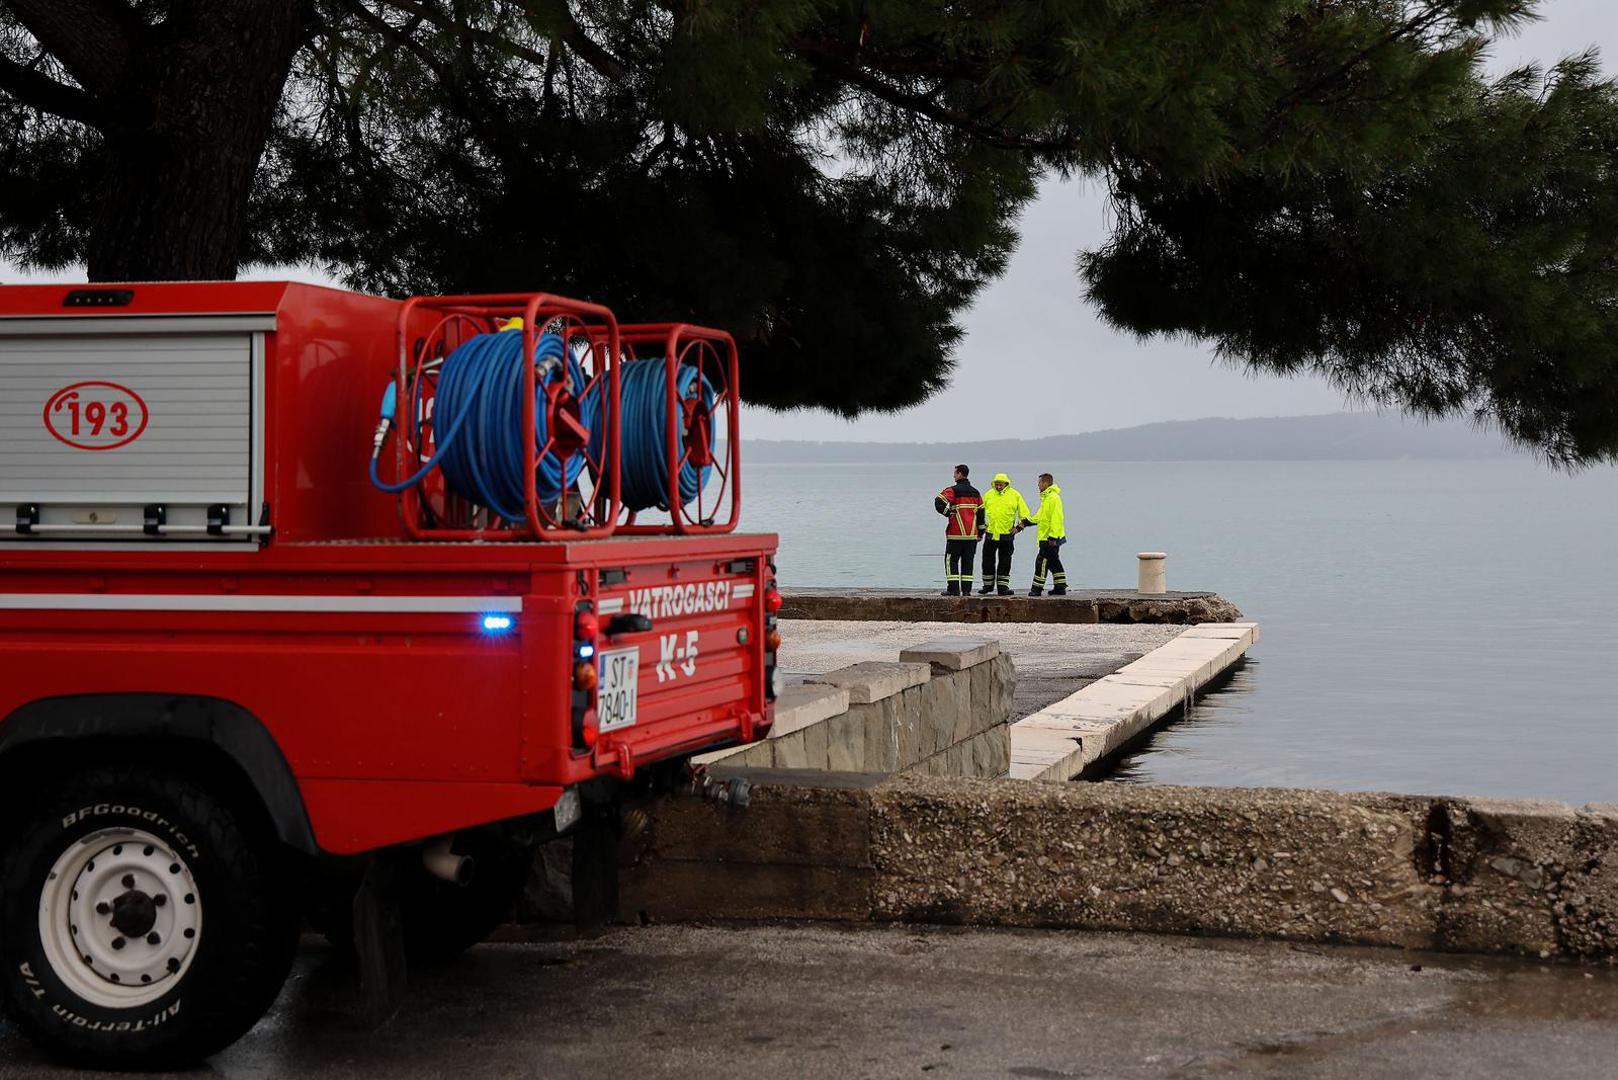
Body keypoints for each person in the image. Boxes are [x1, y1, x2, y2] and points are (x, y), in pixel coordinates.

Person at [977, 472, 1033, 595]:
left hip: (1007, 536)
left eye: (1001, 484)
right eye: (996, 484)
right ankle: (987, 586)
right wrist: (981, 527)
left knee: (1005, 562)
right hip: (991, 534)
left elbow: (1024, 513)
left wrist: (1019, 527)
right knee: (987, 562)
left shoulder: (1015, 495)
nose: (998, 487)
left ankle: (1003, 588)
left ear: (1006, 484)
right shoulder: (988, 494)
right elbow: (979, 511)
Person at [933, 464, 983, 596]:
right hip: (971, 535)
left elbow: (938, 501)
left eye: (955, 473)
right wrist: (981, 533)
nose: (953, 475)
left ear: (960, 474)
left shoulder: (952, 490)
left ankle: (953, 589)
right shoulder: (976, 493)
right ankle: (966, 591)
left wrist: (948, 513)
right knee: (968, 562)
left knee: (951, 561)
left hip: (955, 534)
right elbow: (981, 514)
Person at [1028, 472, 1067, 596]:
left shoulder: (1053, 498)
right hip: (1047, 536)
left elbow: (1056, 518)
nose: (1038, 485)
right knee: (1053, 562)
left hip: (1050, 538)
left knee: (1042, 562)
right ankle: (1060, 587)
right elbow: (1039, 517)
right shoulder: (1046, 498)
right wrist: (1025, 522)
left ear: (1045, 483)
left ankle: (1037, 589)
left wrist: (1053, 537)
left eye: (1039, 482)